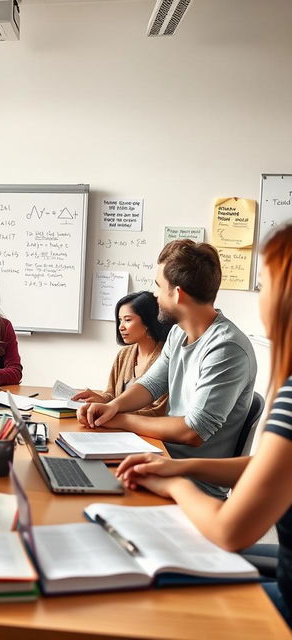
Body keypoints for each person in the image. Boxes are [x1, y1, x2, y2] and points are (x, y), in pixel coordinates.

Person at [115, 223, 292, 627]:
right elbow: (269, 466)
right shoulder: (178, 334)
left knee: (139, 601)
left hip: (283, 599)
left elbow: (233, 533)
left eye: (264, 287)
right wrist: (175, 465)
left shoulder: (233, 350)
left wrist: (174, 481)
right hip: (184, 469)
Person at [79, 240, 257, 498]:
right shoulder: (178, 332)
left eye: (158, 287)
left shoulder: (226, 348)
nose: (155, 296)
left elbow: (192, 431)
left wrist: (121, 420)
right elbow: (150, 385)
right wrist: (113, 407)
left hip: (193, 486)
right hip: (160, 458)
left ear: (177, 293)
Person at [72, 291, 174, 415]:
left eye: (127, 320)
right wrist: (102, 400)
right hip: (116, 429)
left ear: (147, 321)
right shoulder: (123, 355)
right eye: (120, 320)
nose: (121, 327)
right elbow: (112, 395)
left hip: (146, 432)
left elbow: (158, 411)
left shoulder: (167, 358)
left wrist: (113, 411)